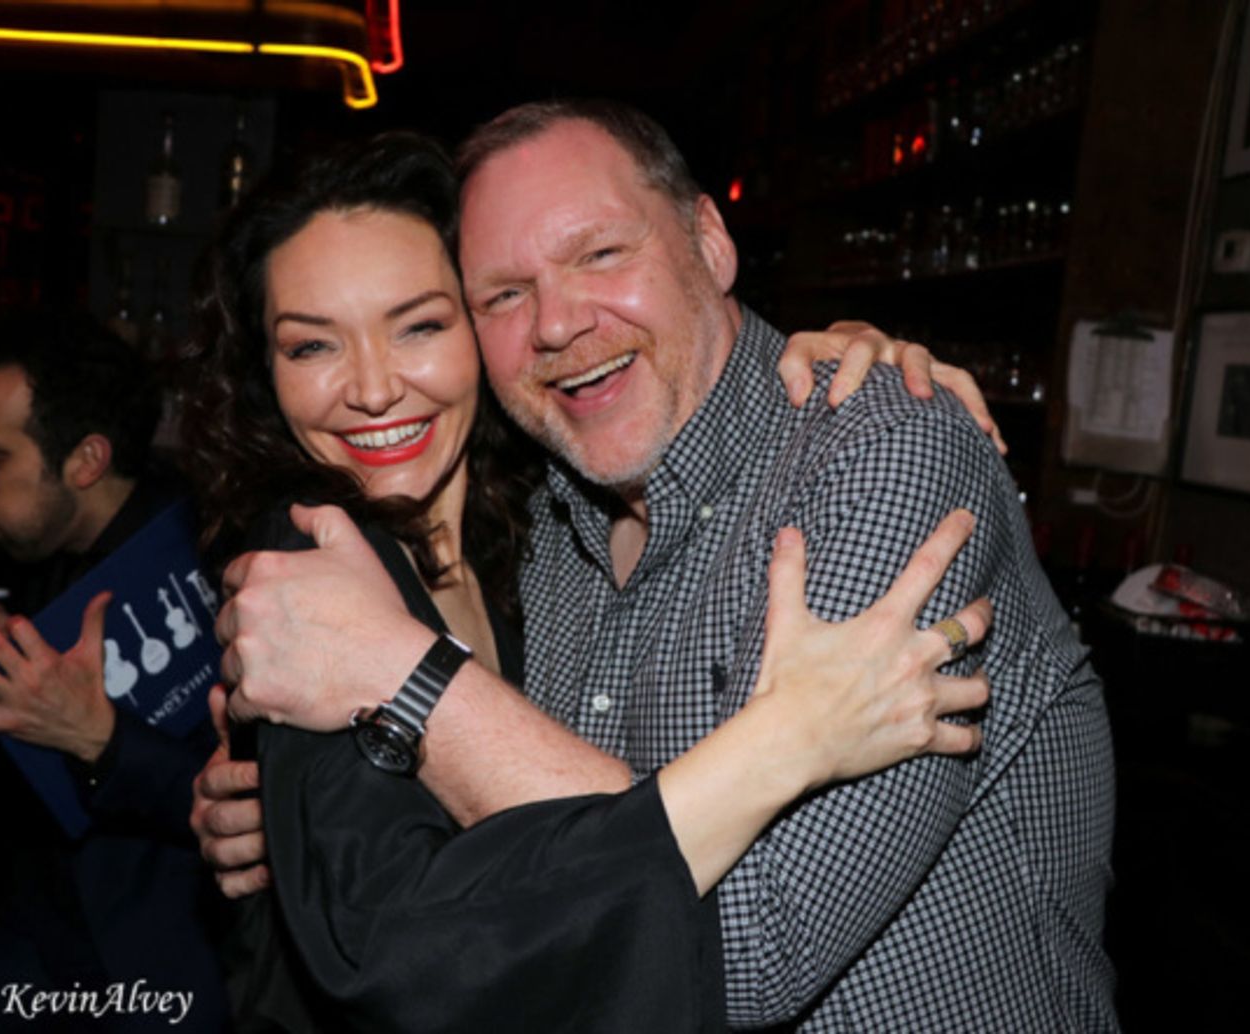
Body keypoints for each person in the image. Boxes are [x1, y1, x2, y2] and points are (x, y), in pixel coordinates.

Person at [211, 100, 1118, 1032]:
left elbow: (747, 942)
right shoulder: (546, 525)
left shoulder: (880, 458)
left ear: (712, 242)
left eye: (602, 254)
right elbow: (514, 895)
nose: (558, 323)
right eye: (505, 295)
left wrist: (400, 673)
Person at [0, 310, 226, 1031]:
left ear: (86, 460)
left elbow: (249, 810)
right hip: (39, 925)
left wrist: (101, 738)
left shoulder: (202, 568)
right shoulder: (25, 543)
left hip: (157, 965)